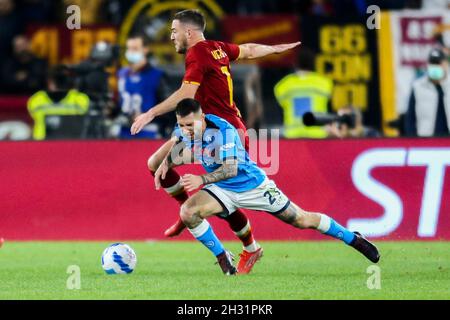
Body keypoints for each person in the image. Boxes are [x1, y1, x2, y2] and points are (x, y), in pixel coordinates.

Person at [130, 9, 300, 273]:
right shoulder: (217, 47)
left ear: (189, 32)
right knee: (156, 163)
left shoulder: (196, 53)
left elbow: (187, 92)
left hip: (223, 131)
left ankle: (250, 247)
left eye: (174, 31)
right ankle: (186, 212)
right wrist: (276, 49)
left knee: (225, 196)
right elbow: (250, 50)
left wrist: (150, 113)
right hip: (205, 127)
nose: (171, 36)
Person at [155, 98, 380, 275]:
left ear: (202, 117)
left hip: (253, 186)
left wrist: (201, 180)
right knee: (188, 212)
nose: (186, 130)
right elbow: (178, 150)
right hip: (222, 188)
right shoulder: (183, 131)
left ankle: (353, 238)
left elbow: (231, 169)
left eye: (190, 124)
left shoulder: (224, 131)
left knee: (301, 219)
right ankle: (223, 258)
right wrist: (165, 165)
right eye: (181, 125)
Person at [116, 34, 171, 139]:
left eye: (135, 48)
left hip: (149, 132)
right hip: (124, 132)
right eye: (129, 48)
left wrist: (148, 117)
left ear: (145, 50)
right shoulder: (122, 74)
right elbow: (119, 103)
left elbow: (167, 106)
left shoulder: (157, 75)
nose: (131, 52)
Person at [274, 47, 333, 138]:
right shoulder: (324, 83)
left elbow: (281, 104)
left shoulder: (283, 84)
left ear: (296, 64)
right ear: (313, 64)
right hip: (317, 134)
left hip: (292, 135)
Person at [27, 65, 90, 140]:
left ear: (49, 81)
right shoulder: (81, 98)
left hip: (71, 145)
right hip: (44, 145)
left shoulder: (36, 99)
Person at [404, 48, 450, 137]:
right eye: (432, 64)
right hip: (427, 140)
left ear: (445, 64)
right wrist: (413, 140)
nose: (435, 67)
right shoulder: (418, 87)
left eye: (438, 63)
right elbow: (410, 118)